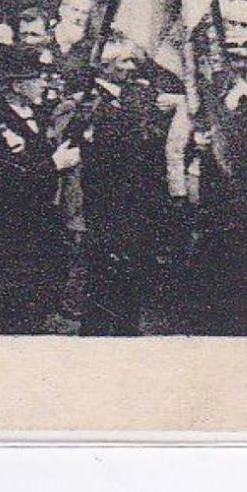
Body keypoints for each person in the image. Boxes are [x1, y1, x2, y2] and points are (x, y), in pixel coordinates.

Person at [0, 45, 80, 334]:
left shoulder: (38, 114)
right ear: (16, 85)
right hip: (9, 234)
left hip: (39, 228)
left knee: (39, 304)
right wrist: (53, 164)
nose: (44, 82)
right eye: (36, 77)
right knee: (17, 312)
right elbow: (8, 175)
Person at [78, 38, 169, 336]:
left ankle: (127, 327)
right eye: (124, 62)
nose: (131, 68)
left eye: (133, 62)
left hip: (137, 196)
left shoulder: (136, 95)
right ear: (105, 67)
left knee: (132, 270)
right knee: (105, 270)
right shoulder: (92, 101)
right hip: (106, 198)